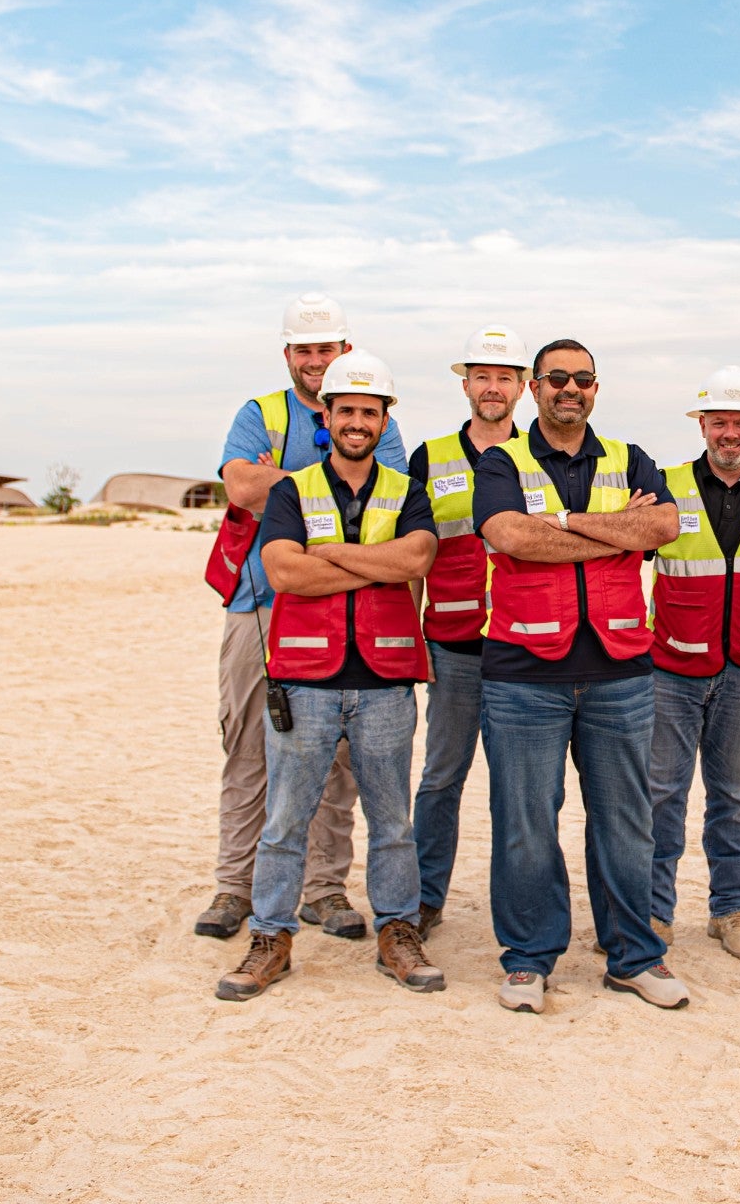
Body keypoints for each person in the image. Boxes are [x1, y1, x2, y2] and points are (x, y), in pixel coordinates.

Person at [215, 352, 442, 1001]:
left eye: (370, 412)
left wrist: (331, 555)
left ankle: (398, 932)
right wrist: (377, 562)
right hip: (307, 677)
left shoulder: (406, 492)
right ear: (330, 416)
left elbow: (418, 557)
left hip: (385, 680)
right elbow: (284, 570)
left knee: (392, 821)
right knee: (286, 818)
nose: (357, 422)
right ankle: (270, 939)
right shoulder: (293, 490)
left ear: (382, 418)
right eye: (347, 410)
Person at [472, 338, 690, 1014]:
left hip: (620, 672)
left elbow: (664, 526)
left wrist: (563, 523)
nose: (571, 388)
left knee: (626, 821)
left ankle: (633, 957)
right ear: (534, 388)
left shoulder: (631, 457)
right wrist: (612, 529)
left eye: (584, 379)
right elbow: (511, 536)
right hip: (522, 676)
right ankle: (529, 959)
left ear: (597, 388)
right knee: (525, 822)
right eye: (558, 378)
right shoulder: (501, 459)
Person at [195, 293, 407, 943]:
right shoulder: (258, 413)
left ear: (346, 351)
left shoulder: (376, 417)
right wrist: (331, 476)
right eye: (304, 350)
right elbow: (240, 488)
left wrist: (282, 484)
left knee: (337, 757)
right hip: (259, 603)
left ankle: (323, 888)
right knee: (249, 749)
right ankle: (235, 887)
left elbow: (390, 499)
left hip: (347, 611)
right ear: (288, 354)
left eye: (327, 349)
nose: (316, 361)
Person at [647, 366, 740, 960]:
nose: (730, 432)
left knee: (736, 795)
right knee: (661, 794)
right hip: (670, 669)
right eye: (719, 421)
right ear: (701, 424)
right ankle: (653, 911)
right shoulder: (665, 486)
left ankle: (731, 911)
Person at [407, 325, 530, 940]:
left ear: (524, 387)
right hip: (451, 646)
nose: (492, 387)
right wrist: (410, 638)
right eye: (481, 376)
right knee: (440, 778)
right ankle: (425, 899)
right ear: (465, 384)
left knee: (518, 791)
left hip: (523, 647)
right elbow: (414, 555)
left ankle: (518, 908)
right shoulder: (430, 457)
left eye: (504, 377)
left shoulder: (538, 457)